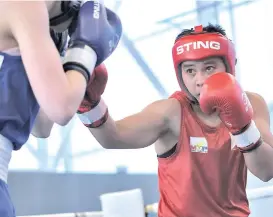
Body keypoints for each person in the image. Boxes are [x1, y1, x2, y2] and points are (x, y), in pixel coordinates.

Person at [77, 24, 273, 217]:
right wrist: (90, 105)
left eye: (209, 68)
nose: (200, 80)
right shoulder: (171, 112)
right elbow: (113, 137)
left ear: (230, 65)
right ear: (180, 74)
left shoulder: (252, 103)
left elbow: (266, 171)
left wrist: (242, 126)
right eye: (190, 71)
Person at [0, 0, 122, 216]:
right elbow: (62, 108)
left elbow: (42, 127)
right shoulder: (25, 5)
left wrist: (60, 59)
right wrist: (85, 50)